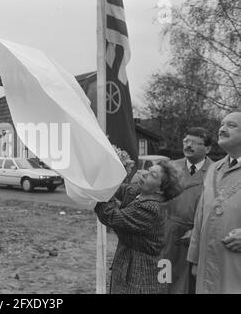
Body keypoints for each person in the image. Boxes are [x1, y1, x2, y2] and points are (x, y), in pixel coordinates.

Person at [95, 161, 183, 294]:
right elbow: (121, 189)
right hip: (127, 262)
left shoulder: (151, 208)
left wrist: (101, 192)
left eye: (152, 175)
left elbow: (111, 216)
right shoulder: (139, 192)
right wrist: (105, 174)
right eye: (148, 169)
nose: (144, 173)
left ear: (160, 189)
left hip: (140, 271)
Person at [187, 112, 241, 293]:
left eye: (231, 125)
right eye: (222, 124)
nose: (222, 128)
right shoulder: (213, 169)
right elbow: (200, 217)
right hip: (207, 267)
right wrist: (194, 259)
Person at [162, 127, 214, 294]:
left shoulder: (215, 171)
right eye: (186, 141)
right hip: (168, 234)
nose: (188, 145)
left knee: (193, 281)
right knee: (164, 276)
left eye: (195, 143)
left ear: (208, 148)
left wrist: (197, 230)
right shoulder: (171, 167)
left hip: (199, 236)